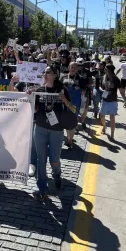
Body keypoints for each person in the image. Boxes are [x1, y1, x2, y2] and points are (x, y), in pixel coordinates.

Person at [33, 65, 75, 201]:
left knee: (54, 160)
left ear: (55, 75)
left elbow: (74, 109)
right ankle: (42, 189)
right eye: (44, 72)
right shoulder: (39, 90)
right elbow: (34, 110)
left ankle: (57, 175)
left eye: (48, 72)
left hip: (56, 130)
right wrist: (30, 98)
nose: (45, 74)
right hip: (40, 128)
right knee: (41, 159)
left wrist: (64, 100)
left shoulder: (62, 90)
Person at [61, 62, 87, 149]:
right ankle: (68, 137)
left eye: (75, 67)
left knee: (72, 122)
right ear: (69, 67)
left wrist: (81, 91)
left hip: (75, 104)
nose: (73, 69)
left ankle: (70, 140)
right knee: (65, 121)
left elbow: (84, 91)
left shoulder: (81, 79)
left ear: (77, 69)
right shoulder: (63, 77)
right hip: (64, 102)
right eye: (71, 67)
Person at [100, 64, 126, 140]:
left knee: (112, 117)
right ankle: (104, 126)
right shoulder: (103, 77)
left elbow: (121, 90)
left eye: (106, 68)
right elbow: (100, 86)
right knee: (102, 115)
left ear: (109, 70)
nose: (104, 69)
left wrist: (125, 100)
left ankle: (112, 134)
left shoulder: (115, 79)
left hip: (112, 100)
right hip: (104, 100)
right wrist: (102, 90)